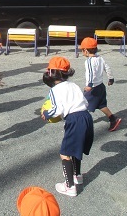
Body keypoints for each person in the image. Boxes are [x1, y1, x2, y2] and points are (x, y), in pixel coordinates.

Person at [41, 56, 94, 197]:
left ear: (52, 73)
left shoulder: (54, 90)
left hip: (74, 120)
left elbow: (56, 109)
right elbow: (85, 102)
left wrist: (47, 113)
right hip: (86, 117)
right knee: (77, 149)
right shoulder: (74, 85)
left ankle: (69, 187)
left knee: (65, 153)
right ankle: (77, 175)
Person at [79, 37, 122, 131]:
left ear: (86, 50)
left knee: (82, 105)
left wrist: (89, 85)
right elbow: (107, 68)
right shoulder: (100, 58)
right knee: (102, 105)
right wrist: (111, 78)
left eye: (82, 50)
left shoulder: (89, 61)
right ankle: (113, 119)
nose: (82, 52)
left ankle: (82, 124)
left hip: (93, 88)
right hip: (100, 86)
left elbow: (91, 73)